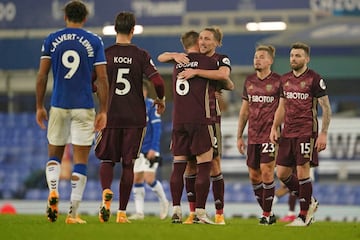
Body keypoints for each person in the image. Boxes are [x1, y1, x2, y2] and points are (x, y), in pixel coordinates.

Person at [35, 0, 109, 224]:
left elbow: (42, 76)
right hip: (84, 106)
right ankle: (72, 213)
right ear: (85, 18)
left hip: (58, 104)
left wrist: (39, 106)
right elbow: (103, 78)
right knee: (80, 161)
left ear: (65, 17)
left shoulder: (52, 39)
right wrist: (103, 110)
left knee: (54, 155)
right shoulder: (94, 40)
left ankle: (53, 192)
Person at [95, 11, 166, 224]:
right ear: (133, 30)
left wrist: (99, 101)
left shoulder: (104, 54)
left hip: (110, 115)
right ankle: (122, 213)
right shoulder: (141, 55)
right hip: (135, 118)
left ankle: (106, 191)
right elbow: (159, 82)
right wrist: (160, 99)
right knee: (128, 165)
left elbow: (92, 81)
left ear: (115, 29)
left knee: (108, 160)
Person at [159, 30, 229, 224]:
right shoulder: (209, 62)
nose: (204, 42)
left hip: (178, 120)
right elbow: (227, 80)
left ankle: (176, 210)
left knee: (179, 166)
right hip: (200, 120)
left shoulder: (177, 62)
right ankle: (199, 212)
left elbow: (160, 56)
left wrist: (174, 55)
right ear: (198, 43)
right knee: (204, 166)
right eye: (202, 39)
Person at [269, 42, 332, 226]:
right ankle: (310, 201)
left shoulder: (314, 79)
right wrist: (274, 127)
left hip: (306, 131)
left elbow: (326, 108)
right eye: (291, 56)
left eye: (298, 56)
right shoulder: (285, 79)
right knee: (281, 173)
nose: (293, 59)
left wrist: (323, 133)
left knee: (303, 172)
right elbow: (281, 106)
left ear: (307, 59)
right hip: (288, 132)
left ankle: (304, 215)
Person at [177, 27, 232, 225]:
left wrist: (199, 73)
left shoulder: (220, 59)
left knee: (214, 164)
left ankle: (219, 214)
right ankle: (194, 213)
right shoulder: (193, 59)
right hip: (191, 120)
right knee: (191, 165)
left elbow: (228, 80)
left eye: (207, 39)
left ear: (217, 42)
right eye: (201, 38)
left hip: (211, 119)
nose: (203, 42)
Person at [237, 45, 281, 225]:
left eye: (262, 57)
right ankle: (268, 212)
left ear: (270, 61)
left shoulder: (279, 82)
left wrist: (277, 127)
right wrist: (239, 135)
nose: (257, 60)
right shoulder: (249, 81)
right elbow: (244, 111)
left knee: (267, 171)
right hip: (253, 135)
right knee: (254, 176)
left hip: (270, 135)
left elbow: (284, 107)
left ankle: (266, 214)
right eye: (256, 57)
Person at [129, 81, 169, 220]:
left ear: (146, 92)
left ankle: (164, 202)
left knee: (149, 178)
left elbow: (157, 128)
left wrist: (154, 148)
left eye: (142, 90)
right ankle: (139, 212)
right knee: (137, 178)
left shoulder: (152, 105)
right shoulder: (132, 106)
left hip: (150, 149)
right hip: (137, 150)